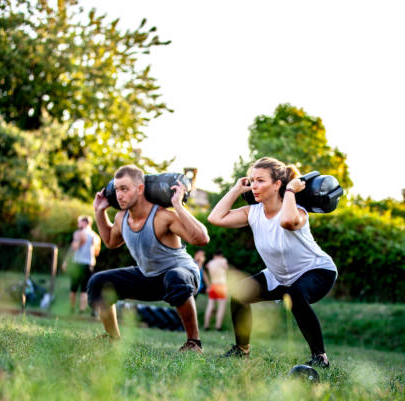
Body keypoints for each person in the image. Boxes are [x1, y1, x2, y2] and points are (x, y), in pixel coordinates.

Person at [207, 157, 337, 366]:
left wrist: (291, 192)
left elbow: (286, 221)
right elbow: (216, 218)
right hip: (278, 275)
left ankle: (320, 356)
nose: (254, 186)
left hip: (317, 270)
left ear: (277, 184)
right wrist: (235, 190)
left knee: (295, 293)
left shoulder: (299, 211)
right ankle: (242, 349)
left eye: (260, 180)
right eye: (252, 180)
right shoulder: (253, 213)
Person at [87, 164, 209, 352]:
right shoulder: (121, 217)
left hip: (182, 274)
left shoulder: (162, 217)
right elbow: (111, 241)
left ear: (140, 189)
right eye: (117, 189)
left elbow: (202, 238)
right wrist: (99, 212)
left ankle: (194, 342)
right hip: (148, 276)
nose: (119, 195)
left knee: (175, 277)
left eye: (125, 189)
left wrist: (178, 206)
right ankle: (113, 339)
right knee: (99, 282)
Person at [62, 215, 101, 314]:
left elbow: (74, 248)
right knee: (84, 288)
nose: (78, 224)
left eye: (79, 222)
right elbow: (97, 252)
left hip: (78, 263)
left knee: (73, 288)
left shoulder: (78, 233)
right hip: (89, 264)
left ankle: (71, 309)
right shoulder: (95, 236)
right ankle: (81, 310)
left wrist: (66, 260)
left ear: (85, 223)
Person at [204, 251, 228, 331]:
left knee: (210, 306)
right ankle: (218, 327)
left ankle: (206, 325)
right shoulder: (223, 260)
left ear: (214, 255)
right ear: (221, 255)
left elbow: (206, 269)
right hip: (221, 285)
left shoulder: (210, 263)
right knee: (221, 307)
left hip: (213, 285)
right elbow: (227, 269)